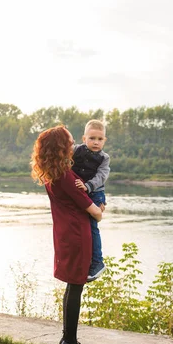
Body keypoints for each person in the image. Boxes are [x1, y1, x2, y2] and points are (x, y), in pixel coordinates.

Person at [31, 125, 103, 344]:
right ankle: (69, 340)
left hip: (64, 232)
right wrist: (100, 207)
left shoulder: (52, 175)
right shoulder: (67, 178)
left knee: (72, 286)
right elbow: (96, 213)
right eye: (70, 143)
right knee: (75, 286)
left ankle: (67, 337)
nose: (74, 146)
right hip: (77, 235)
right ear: (61, 148)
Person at [71, 120, 110, 282]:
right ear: (84, 138)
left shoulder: (104, 158)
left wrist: (87, 186)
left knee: (92, 226)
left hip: (95, 193)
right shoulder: (75, 150)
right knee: (80, 224)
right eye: (92, 138)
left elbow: (102, 176)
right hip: (82, 190)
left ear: (104, 141)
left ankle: (98, 262)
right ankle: (81, 259)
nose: (96, 142)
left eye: (100, 139)